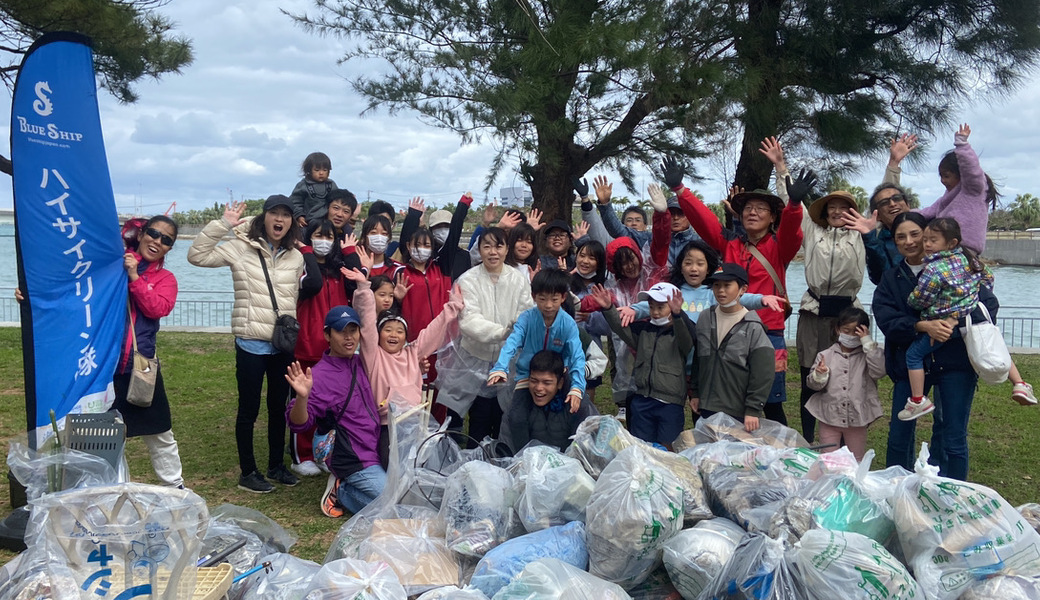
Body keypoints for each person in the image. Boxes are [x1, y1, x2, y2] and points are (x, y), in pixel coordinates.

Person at [187, 196, 322, 493]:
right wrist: (223, 225)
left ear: (290, 222)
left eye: (286, 215)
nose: (280, 219)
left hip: (282, 344)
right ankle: (248, 472)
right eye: (275, 213)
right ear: (265, 217)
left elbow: (314, 283)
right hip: (250, 342)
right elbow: (196, 256)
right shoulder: (239, 248)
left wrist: (306, 249)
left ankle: (276, 465)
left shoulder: (294, 255)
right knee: (248, 410)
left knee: (279, 407)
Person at [670, 157, 815, 425]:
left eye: (761, 209)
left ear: (773, 217)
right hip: (727, 332)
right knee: (723, 400)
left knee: (770, 403)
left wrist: (794, 206)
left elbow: (793, 233)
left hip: (768, 331)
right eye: (748, 207)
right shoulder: (730, 244)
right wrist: (681, 190)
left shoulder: (778, 247)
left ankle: (777, 455)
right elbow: (705, 222)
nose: (752, 212)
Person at [872, 212, 998, 479]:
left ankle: (951, 493)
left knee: (952, 435)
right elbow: (885, 317)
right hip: (909, 363)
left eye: (916, 234)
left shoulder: (963, 266)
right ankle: (896, 491)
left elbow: (989, 304)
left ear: (931, 236)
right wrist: (921, 326)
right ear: (894, 242)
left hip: (956, 362)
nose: (910, 241)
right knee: (899, 434)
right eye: (900, 237)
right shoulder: (891, 278)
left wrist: (954, 321)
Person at [758, 136, 867, 442]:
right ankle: (807, 438)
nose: (837, 212)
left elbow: (886, 208)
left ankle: (842, 437)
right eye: (832, 207)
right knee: (811, 376)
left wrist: (894, 165)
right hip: (814, 310)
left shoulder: (861, 234)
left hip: (847, 312)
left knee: (846, 377)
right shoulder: (812, 230)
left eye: (844, 208)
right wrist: (780, 166)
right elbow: (793, 199)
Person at [901, 217, 1035, 419]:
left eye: (933, 240)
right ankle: (1020, 384)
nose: (926, 244)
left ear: (952, 243)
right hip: (974, 316)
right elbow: (988, 277)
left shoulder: (933, 268)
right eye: (926, 239)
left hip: (947, 323)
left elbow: (922, 298)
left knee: (914, 355)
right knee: (993, 344)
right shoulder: (968, 260)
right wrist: (972, 295)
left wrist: (912, 301)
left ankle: (918, 400)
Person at [438, 227, 534, 444]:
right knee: (478, 415)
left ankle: (500, 460)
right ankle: (474, 458)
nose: (493, 252)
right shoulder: (467, 280)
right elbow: (469, 320)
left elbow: (526, 311)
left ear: (506, 249)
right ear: (479, 250)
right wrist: (503, 332)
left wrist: (516, 330)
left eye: (498, 246)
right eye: (487, 246)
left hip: (508, 358)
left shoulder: (518, 279)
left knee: (503, 413)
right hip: (475, 357)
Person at [285, 306, 382, 518]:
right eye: (341, 331)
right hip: (352, 457)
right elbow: (298, 423)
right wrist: (302, 397)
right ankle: (343, 491)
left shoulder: (363, 361)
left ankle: (347, 488)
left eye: (353, 330)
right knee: (390, 504)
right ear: (327, 335)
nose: (349, 337)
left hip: (379, 449)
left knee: (405, 495)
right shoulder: (319, 376)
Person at [115, 215, 185, 488]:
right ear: (142, 233)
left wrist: (134, 276)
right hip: (104, 365)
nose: (157, 241)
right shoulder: (112, 265)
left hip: (140, 365)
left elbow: (157, 308)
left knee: (160, 431)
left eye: (166, 240)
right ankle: (113, 487)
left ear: (169, 248)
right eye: (154, 233)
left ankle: (174, 486)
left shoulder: (166, 278)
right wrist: (33, 296)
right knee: (108, 434)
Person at [289, 219, 362, 477]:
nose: (324, 241)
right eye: (318, 235)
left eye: (329, 237)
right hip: (308, 344)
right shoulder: (302, 268)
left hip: (337, 348)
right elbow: (312, 285)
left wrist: (350, 252)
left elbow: (360, 281)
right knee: (304, 401)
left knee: (332, 406)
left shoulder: (338, 271)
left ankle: (324, 451)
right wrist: (307, 252)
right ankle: (302, 455)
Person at [590, 281, 694, 448]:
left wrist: (677, 315)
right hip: (643, 398)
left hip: (670, 403)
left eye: (661, 307)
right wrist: (609, 308)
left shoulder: (681, 332)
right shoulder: (644, 330)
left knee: (668, 446)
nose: (655, 312)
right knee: (641, 446)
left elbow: (687, 342)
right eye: (651, 307)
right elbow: (621, 329)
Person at [487, 269, 587, 440]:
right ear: (533, 297)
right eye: (542, 299)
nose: (548, 305)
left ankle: (575, 453)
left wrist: (577, 388)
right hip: (529, 375)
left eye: (554, 299)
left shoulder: (568, 324)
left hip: (559, 375)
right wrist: (500, 367)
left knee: (579, 410)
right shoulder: (526, 318)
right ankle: (520, 455)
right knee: (517, 416)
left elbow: (577, 356)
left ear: (563, 298)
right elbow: (512, 343)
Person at [689, 264, 775, 432]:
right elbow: (699, 359)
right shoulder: (706, 317)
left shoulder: (753, 326)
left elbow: (763, 373)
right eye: (716, 285)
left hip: (737, 409)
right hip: (705, 404)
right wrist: (696, 393)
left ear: (743, 289)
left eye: (727, 285)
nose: (721, 290)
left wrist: (753, 409)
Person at [805, 307, 886, 461]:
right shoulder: (825, 355)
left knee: (856, 459)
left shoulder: (868, 355)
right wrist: (820, 374)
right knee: (828, 459)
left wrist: (868, 344)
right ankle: (829, 484)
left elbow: (879, 371)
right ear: (837, 330)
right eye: (846, 330)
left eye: (855, 332)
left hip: (857, 418)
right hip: (829, 416)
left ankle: (853, 483)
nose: (849, 336)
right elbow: (814, 385)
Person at [504, 350, 597, 452]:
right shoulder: (518, 408)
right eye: (534, 381)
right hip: (528, 464)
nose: (539, 388)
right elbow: (506, 448)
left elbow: (590, 447)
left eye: (547, 383)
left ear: (560, 383)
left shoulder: (577, 406)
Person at [290, 151, 338, 228]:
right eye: (317, 170)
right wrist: (299, 216)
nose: (321, 173)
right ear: (309, 171)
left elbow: (338, 200)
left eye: (325, 170)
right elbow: (295, 202)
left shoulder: (331, 185)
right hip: (309, 222)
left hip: (329, 221)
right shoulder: (303, 185)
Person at [358, 214, 402, 279]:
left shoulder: (397, 269)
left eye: (384, 233)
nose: (379, 237)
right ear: (364, 236)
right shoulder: (354, 266)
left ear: (389, 238)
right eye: (373, 232)